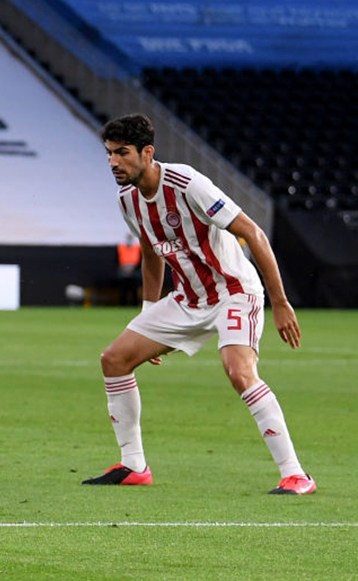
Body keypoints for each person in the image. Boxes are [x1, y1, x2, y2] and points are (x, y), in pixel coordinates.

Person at [84, 113, 314, 495]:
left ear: (147, 152)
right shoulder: (128, 200)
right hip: (188, 300)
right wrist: (148, 314)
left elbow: (253, 233)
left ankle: (296, 474)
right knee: (114, 359)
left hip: (234, 293)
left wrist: (281, 302)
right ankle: (133, 465)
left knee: (238, 371)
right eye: (109, 154)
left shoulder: (187, 182)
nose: (113, 162)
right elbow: (151, 252)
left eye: (122, 153)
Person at [117, 232, 141, 305]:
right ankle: (122, 305)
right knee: (123, 290)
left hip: (134, 271)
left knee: (134, 290)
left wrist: (134, 269)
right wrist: (123, 268)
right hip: (123, 271)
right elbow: (117, 259)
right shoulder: (121, 247)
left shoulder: (137, 247)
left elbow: (141, 260)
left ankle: (135, 304)